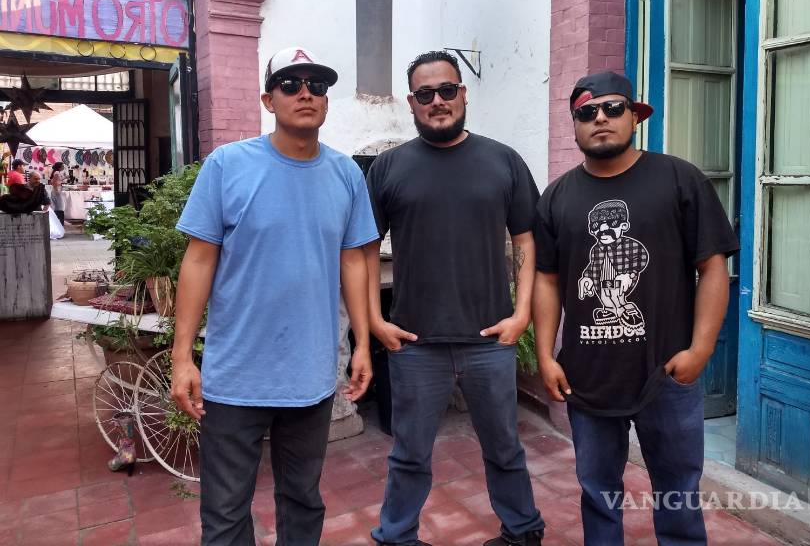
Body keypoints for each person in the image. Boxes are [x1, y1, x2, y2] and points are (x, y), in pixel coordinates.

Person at [171, 46, 379, 545]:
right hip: (235, 376)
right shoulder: (227, 165)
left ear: (326, 100)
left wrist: (363, 345)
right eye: (290, 84)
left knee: (303, 500)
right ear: (269, 100)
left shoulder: (347, 174)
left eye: (316, 85)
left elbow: (354, 260)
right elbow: (198, 260)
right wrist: (182, 356)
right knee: (225, 513)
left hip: (310, 375)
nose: (306, 93)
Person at [532, 71, 739, 546]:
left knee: (678, 491)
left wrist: (701, 350)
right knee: (597, 494)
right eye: (587, 112)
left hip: (666, 374)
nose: (600, 119)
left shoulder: (679, 179)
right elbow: (547, 278)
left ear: (634, 116)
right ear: (574, 124)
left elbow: (712, 266)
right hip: (587, 377)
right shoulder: (557, 197)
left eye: (612, 108)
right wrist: (545, 355)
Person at [365, 50, 545, 546]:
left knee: (504, 448)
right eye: (425, 94)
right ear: (411, 103)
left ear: (463, 94)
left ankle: (522, 531)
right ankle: (396, 536)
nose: (438, 101)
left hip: (490, 339)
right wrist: (374, 321)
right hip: (415, 343)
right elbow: (362, 250)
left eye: (447, 90)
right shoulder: (388, 168)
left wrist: (522, 313)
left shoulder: (503, 160)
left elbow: (526, 239)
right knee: (408, 454)